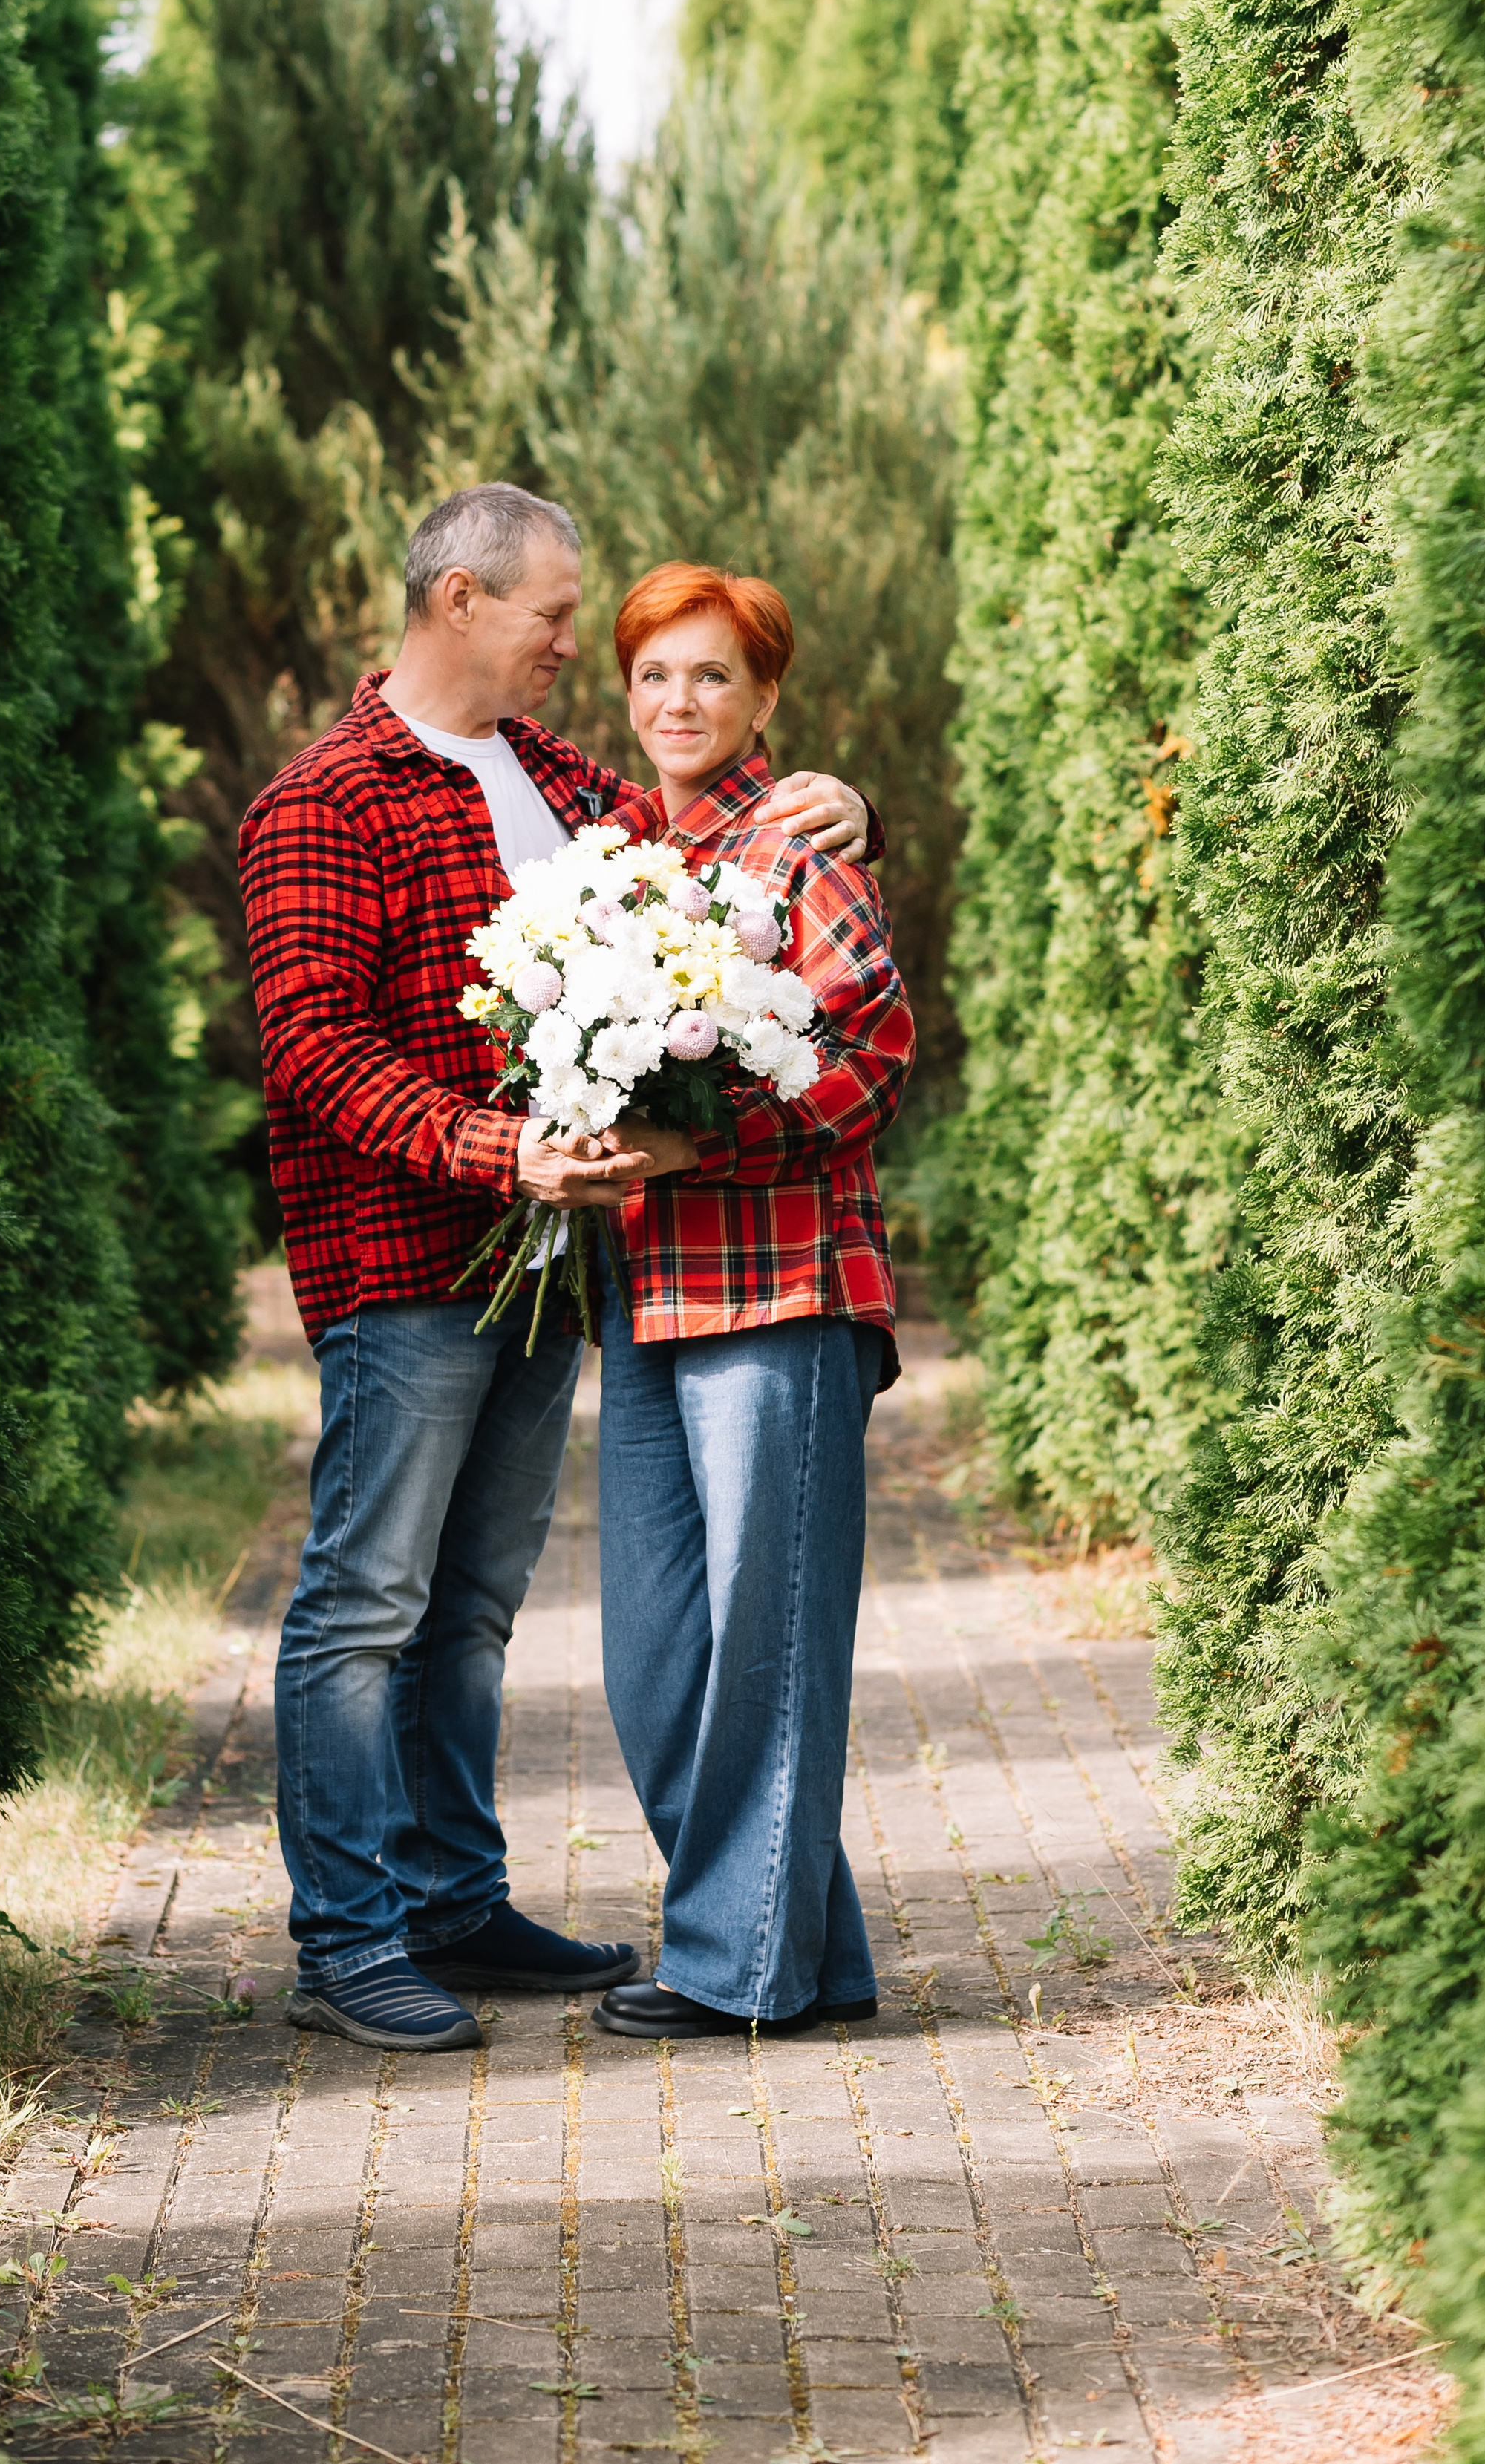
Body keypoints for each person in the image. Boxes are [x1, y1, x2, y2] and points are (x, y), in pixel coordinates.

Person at [237, 484, 876, 2051]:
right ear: (459, 601)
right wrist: (491, 1148)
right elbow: (312, 1047)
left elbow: (706, 826)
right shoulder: (326, 796)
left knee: (470, 1608)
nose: (574, 647)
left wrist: (832, 797)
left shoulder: (552, 776)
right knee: (365, 1601)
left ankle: (454, 1900)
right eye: (552, 615)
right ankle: (348, 1936)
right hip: (404, 1260)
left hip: (549, 1264)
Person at [581, 563, 916, 2041]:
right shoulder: (611, 858)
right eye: (655, 674)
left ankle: (734, 1969)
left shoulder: (797, 846)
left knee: (766, 1652)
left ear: (763, 698)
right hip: (643, 1287)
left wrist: (707, 1134)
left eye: (710, 676)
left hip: (779, 1284)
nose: (677, 703)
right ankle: (814, 1950)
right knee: (651, 1659)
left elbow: (875, 1050)